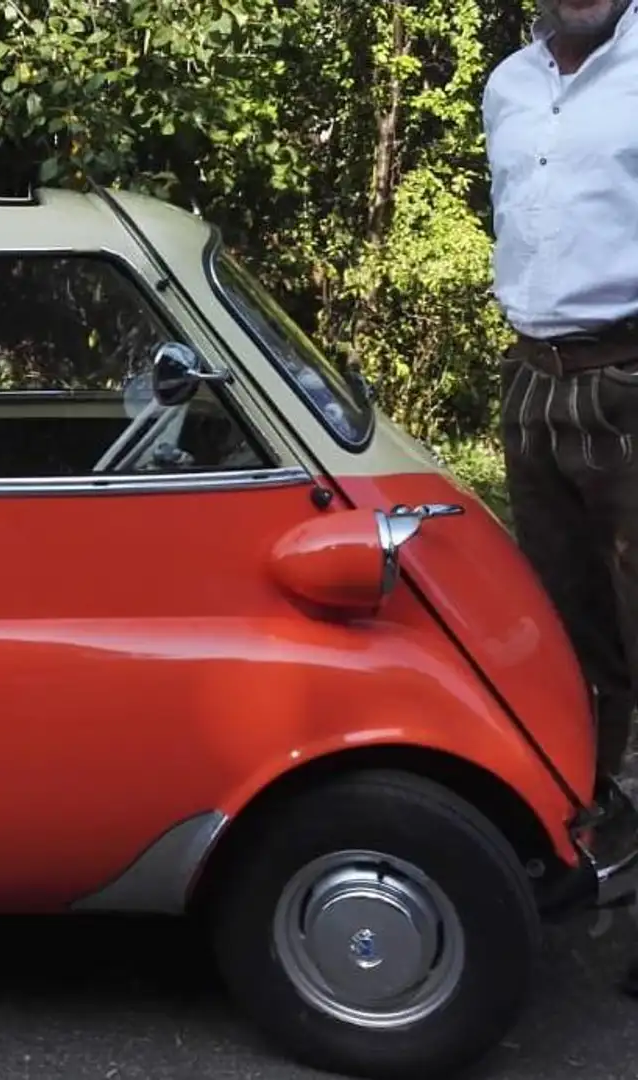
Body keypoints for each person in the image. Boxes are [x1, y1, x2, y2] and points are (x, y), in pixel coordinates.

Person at [482, 0, 638, 993]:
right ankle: (588, 858)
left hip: (634, 373)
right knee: (565, 646)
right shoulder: (507, 86)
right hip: (534, 380)